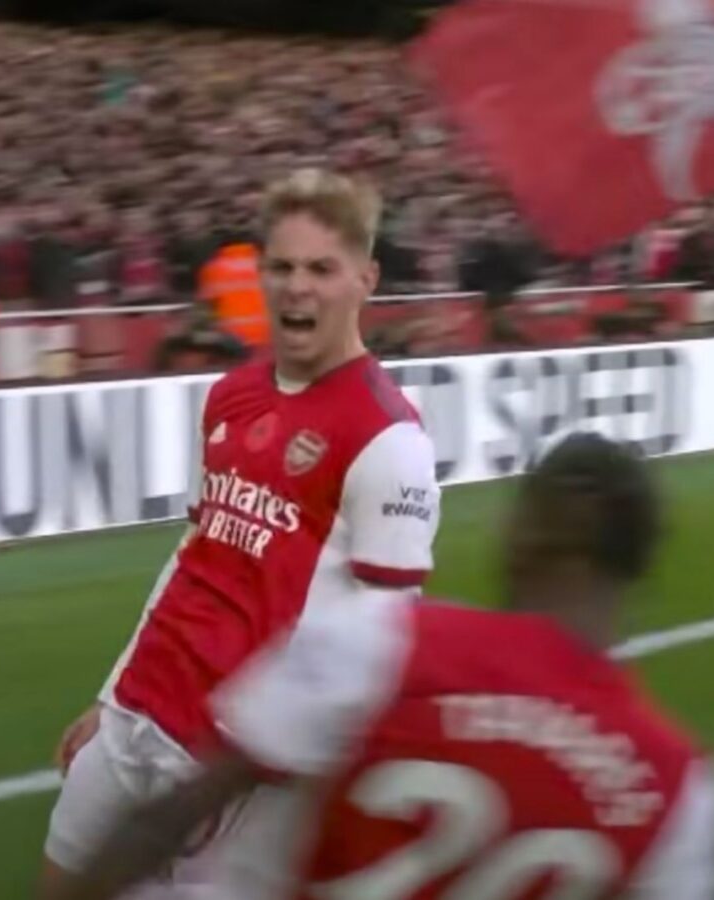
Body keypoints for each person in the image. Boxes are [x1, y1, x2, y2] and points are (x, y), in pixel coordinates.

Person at [79, 433, 714, 900]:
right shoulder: (679, 788)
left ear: (529, 528)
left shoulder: (383, 643)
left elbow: (171, 815)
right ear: (636, 566)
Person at [40, 169, 443, 899]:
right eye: (282, 266)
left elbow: (389, 638)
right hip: (139, 709)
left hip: (234, 762)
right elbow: (196, 554)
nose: (298, 287)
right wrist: (109, 693)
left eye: (322, 268)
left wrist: (298, 766)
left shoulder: (389, 440)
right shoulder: (232, 394)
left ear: (366, 278)